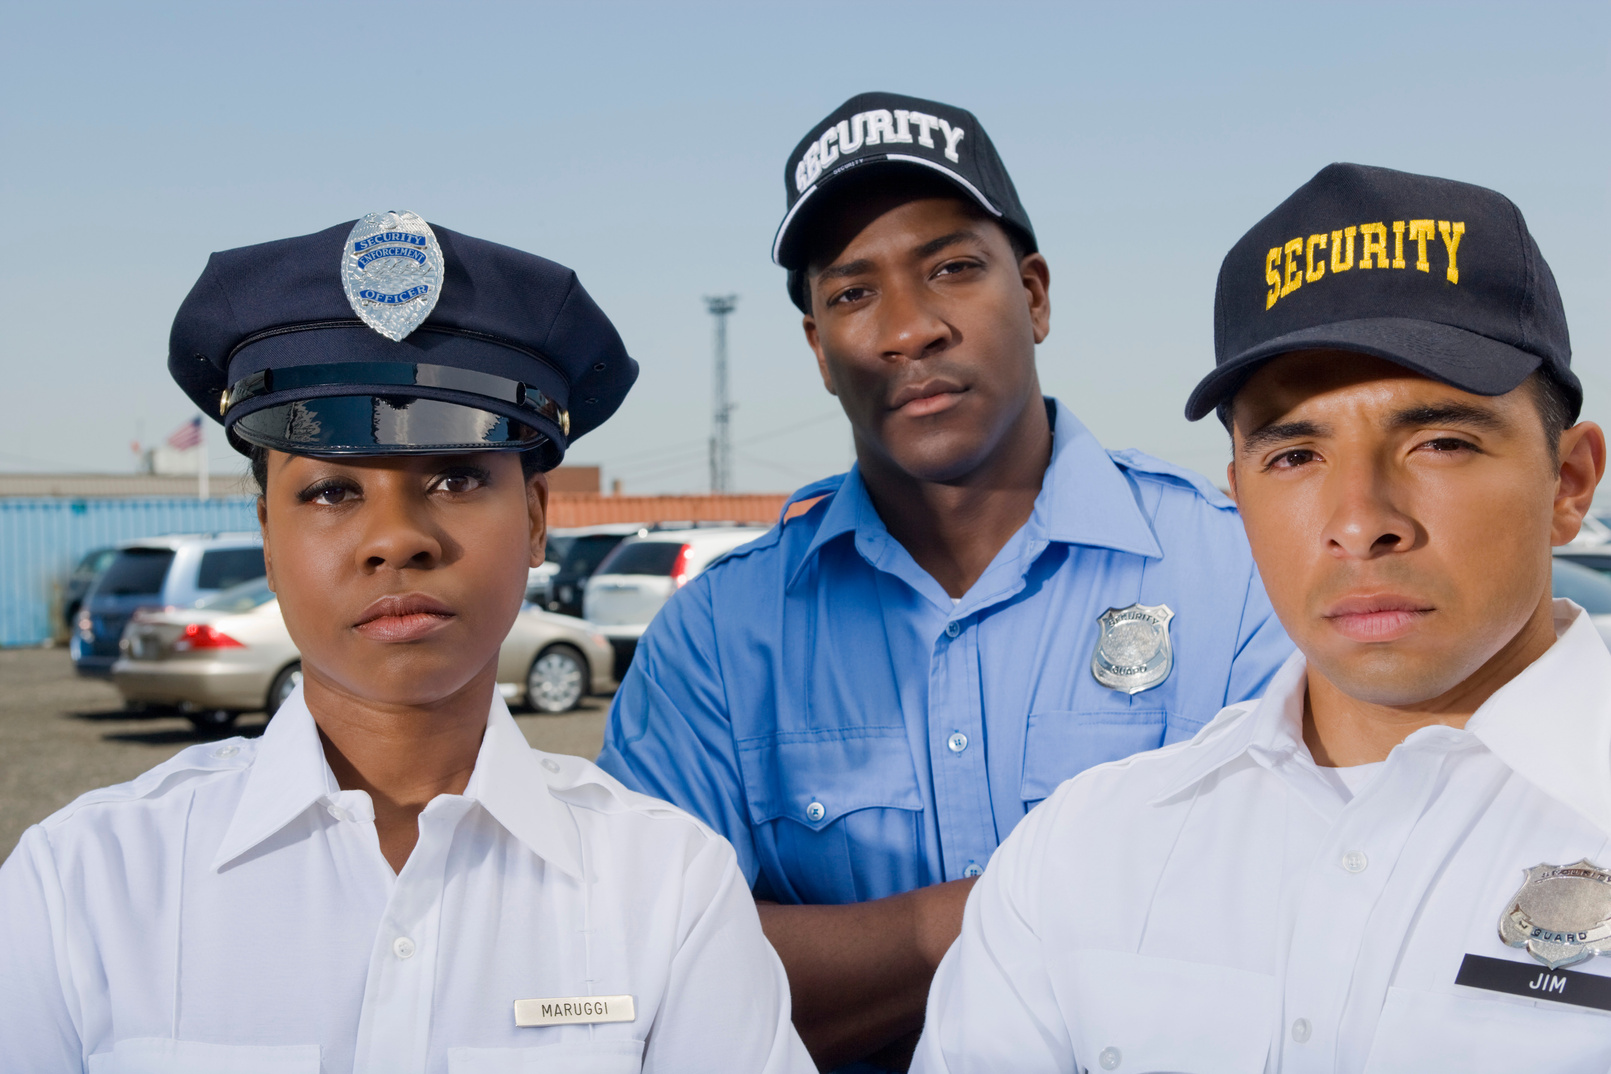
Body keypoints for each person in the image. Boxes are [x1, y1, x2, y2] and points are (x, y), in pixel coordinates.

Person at [0, 211, 814, 1073]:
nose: (397, 538)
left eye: (457, 477)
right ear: (267, 539)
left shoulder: (666, 887)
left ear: (536, 521)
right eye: (330, 492)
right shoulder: (86, 885)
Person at [597, 92, 1293, 1071]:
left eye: (953, 269)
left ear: (1037, 294)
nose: (909, 329)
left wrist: (835, 954)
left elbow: (1307, 924)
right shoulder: (719, 635)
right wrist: (1014, 915)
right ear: (818, 353)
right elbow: (644, 983)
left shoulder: (1237, 572)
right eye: (851, 293)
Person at [912, 162, 1611, 1072]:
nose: (1361, 522)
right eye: (1293, 456)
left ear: (1568, 483)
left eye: (1440, 442)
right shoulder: (1085, 855)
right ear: (1237, 495)